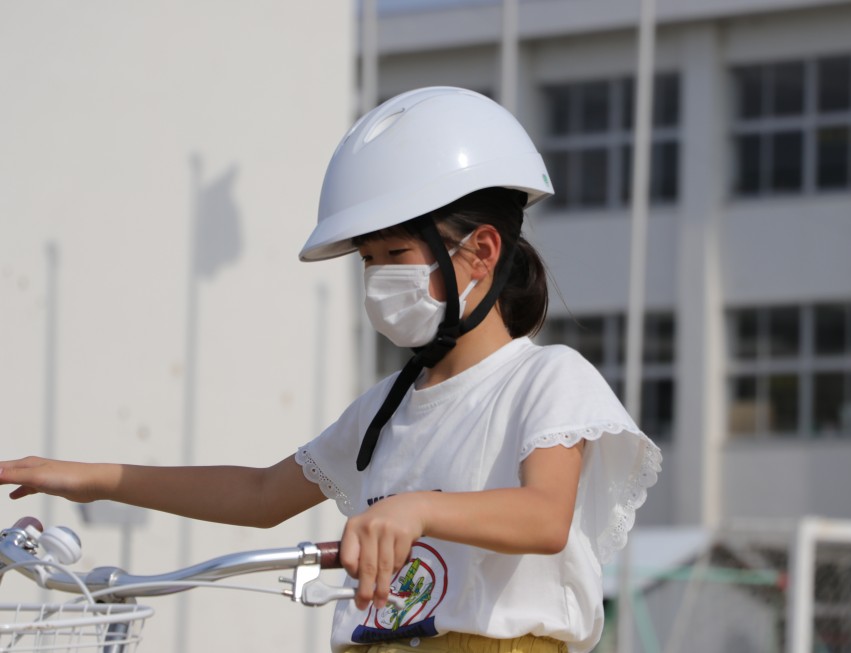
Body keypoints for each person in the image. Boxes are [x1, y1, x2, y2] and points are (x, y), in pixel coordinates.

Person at [0, 87, 662, 653]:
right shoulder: (386, 407)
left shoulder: (547, 379)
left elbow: (545, 516)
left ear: (481, 250)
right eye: (367, 260)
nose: (377, 277)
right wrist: (89, 478)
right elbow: (262, 494)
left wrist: (416, 509)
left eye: (396, 252)